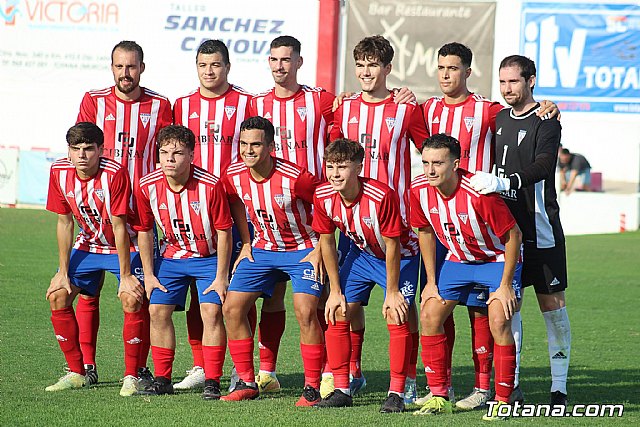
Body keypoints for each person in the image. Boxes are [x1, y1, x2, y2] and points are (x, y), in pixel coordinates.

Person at [418, 42, 559, 409]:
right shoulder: (425, 109)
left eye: (453, 68)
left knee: (495, 314)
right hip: (454, 232)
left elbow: (524, 112)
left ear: (467, 70)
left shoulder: (489, 110)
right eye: (440, 67)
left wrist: (548, 106)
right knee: (435, 310)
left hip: (492, 212)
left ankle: (501, 390)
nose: (446, 74)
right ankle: (440, 391)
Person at [329, 34, 429, 399]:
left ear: (387, 69)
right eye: (361, 65)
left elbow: (431, 152)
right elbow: (333, 149)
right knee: (347, 306)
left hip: (396, 228)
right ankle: (353, 373)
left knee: (401, 309)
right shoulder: (344, 108)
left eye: (373, 65)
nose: (366, 72)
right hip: (354, 229)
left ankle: (409, 381)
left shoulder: (406, 108)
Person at [470, 54, 571, 407]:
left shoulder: (547, 120)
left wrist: (506, 180)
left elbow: (544, 165)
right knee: (509, 308)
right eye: (502, 82)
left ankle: (559, 386)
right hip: (506, 235)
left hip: (541, 231)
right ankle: (510, 385)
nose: (507, 88)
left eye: (513, 81)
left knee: (553, 308)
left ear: (531, 80)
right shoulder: (497, 118)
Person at [75, 40, 172, 387]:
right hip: (99, 216)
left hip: (141, 217)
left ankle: (139, 368)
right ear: (111, 67)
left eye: (131, 67)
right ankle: (86, 367)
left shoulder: (160, 105)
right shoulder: (93, 101)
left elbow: (170, 153)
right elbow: (79, 149)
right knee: (87, 291)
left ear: (142, 68)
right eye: (119, 66)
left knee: (139, 295)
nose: (125, 73)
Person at [410, 133, 522, 420]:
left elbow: (513, 236)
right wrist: (431, 282)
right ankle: (439, 395)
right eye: (425, 163)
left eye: (438, 163)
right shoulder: (418, 190)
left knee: (498, 320)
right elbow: (424, 232)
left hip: (496, 260)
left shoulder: (478, 194)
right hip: (458, 260)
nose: (430, 170)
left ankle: (503, 399)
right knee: (429, 315)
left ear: (456, 164)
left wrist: (506, 285)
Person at [247, 35, 335, 396]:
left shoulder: (321, 99)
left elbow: (356, 114)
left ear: (299, 62)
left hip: (314, 210)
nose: (279, 66)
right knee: (271, 294)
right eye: (274, 59)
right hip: (270, 211)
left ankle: (331, 371)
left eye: (286, 59)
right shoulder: (255, 103)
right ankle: (266, 371)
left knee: (319, 296)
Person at [219, 116, 324, 406]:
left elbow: (327, 202)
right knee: (231, 307)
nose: (248, 150)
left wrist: (321, 246)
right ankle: (247, 381)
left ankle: (312, 387)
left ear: (271, 146)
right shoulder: (233, 174)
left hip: (303, 249)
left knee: (305, 311)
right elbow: (235, 201)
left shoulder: (296, 177)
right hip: (263, 249)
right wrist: (247, 241)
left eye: (256, 144)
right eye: (243, 144)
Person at [312, 139, 419, 413]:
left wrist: (392, 291)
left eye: (343, 167)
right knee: (337, 309)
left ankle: (398, 390)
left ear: (359, 167)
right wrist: (335, 290)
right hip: (363, 256)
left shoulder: (381, 195)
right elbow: (326, 241)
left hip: (400, 258)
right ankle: (342, 388)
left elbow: (394, 245)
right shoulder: (323, 195)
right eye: (331, 166)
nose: (335, 173)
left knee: (397, 313)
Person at [171, 39, 253, 391]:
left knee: (239, 293)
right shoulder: (181, 105)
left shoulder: (247, 102)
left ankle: (243, 368)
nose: (209, 71)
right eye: (204, 65)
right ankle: (202, 364)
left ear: (228, 66)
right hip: (192, 208)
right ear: (197, 67)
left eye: (216, 64)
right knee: (198, 292)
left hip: (238, 206)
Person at [45, 122, 146, 397]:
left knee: (131, 298)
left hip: (127, 243)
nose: (82, 155)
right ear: (68, 151)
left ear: (101, 150)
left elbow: (118, 224)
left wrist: (126, 276)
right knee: (57, 294)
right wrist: (62, 272)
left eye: (89, 149)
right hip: (89, 242)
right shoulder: (58, 171)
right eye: (76, 149)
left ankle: (131, 376)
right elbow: (64, 222)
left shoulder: (114, 173)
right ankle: (77, 372)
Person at [134, 125, 233, 398]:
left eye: (177, 153)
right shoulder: (147, 185)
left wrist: (221, 275)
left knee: (211, 312)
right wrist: (150, 274)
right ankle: (163, 378)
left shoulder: (211, 185)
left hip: (208, 258)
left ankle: (212, 380)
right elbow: (144, 230)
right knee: (157, 312)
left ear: (191, 155)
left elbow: (225, 231)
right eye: (164, 153)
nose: (169, 159)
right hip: (172, 258)